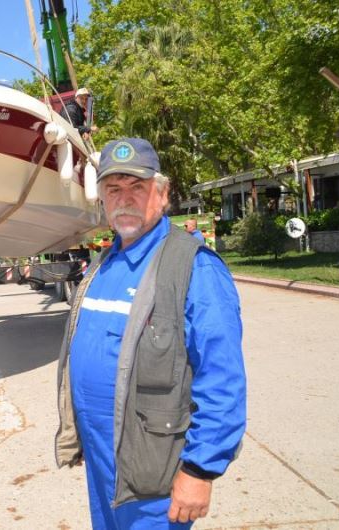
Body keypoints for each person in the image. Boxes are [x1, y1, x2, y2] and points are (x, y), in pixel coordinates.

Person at [55, 137, 246, 529]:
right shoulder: (103, 264)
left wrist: (199, 471)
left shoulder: (194, 268)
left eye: (137, 187)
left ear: (161, 194)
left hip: (155, 476)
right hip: (104, 463)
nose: (124, 198)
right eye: (113, 189)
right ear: (102, 200)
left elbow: (222, 380)